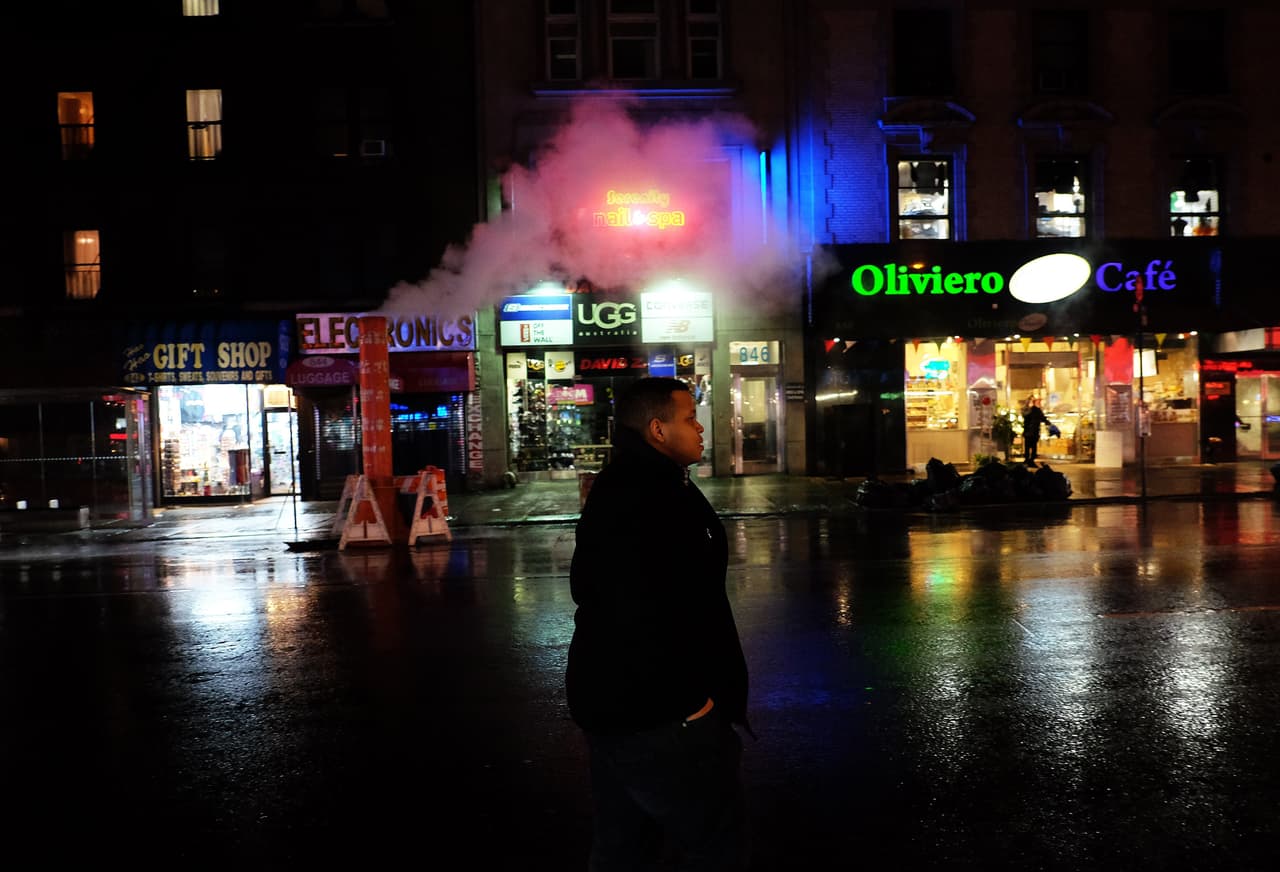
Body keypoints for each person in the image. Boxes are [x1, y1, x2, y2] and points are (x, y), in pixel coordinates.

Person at [567, 376, 750, 871]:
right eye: (690, 418)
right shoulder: (644, 495)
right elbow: (634, 608)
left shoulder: (650, 483)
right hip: (658, 717)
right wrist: (692, 705)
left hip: (623, 708)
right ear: (657, 429)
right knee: (716, 844)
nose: (700, 428)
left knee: (624, 847)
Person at [1022, 398, 1049, 466]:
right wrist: (1048, 423)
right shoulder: (1036, 410)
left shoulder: (1027, 411)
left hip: (1028, 431)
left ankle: (1027, 459)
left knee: (1027, 446)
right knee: (1033, 446)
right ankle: (1031, 459)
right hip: (1034, 432)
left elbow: (1025, 417)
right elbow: (1043, 418)